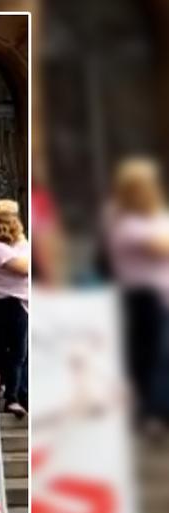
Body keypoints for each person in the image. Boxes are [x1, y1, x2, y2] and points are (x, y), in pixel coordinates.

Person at [104, 158, 169, 432]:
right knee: (151, 356)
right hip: (143, 296)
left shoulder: (154, 215)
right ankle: (150, 412)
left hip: (161, 294)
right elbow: (160, 247)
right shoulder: (123, 219)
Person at [0, 211, 29, 416]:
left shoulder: (5, 249)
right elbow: (25, 268)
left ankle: (20, 393)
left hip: (15, 302)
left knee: (18, 352)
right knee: (16, 352)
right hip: (10, 302)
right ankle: (12, 396)